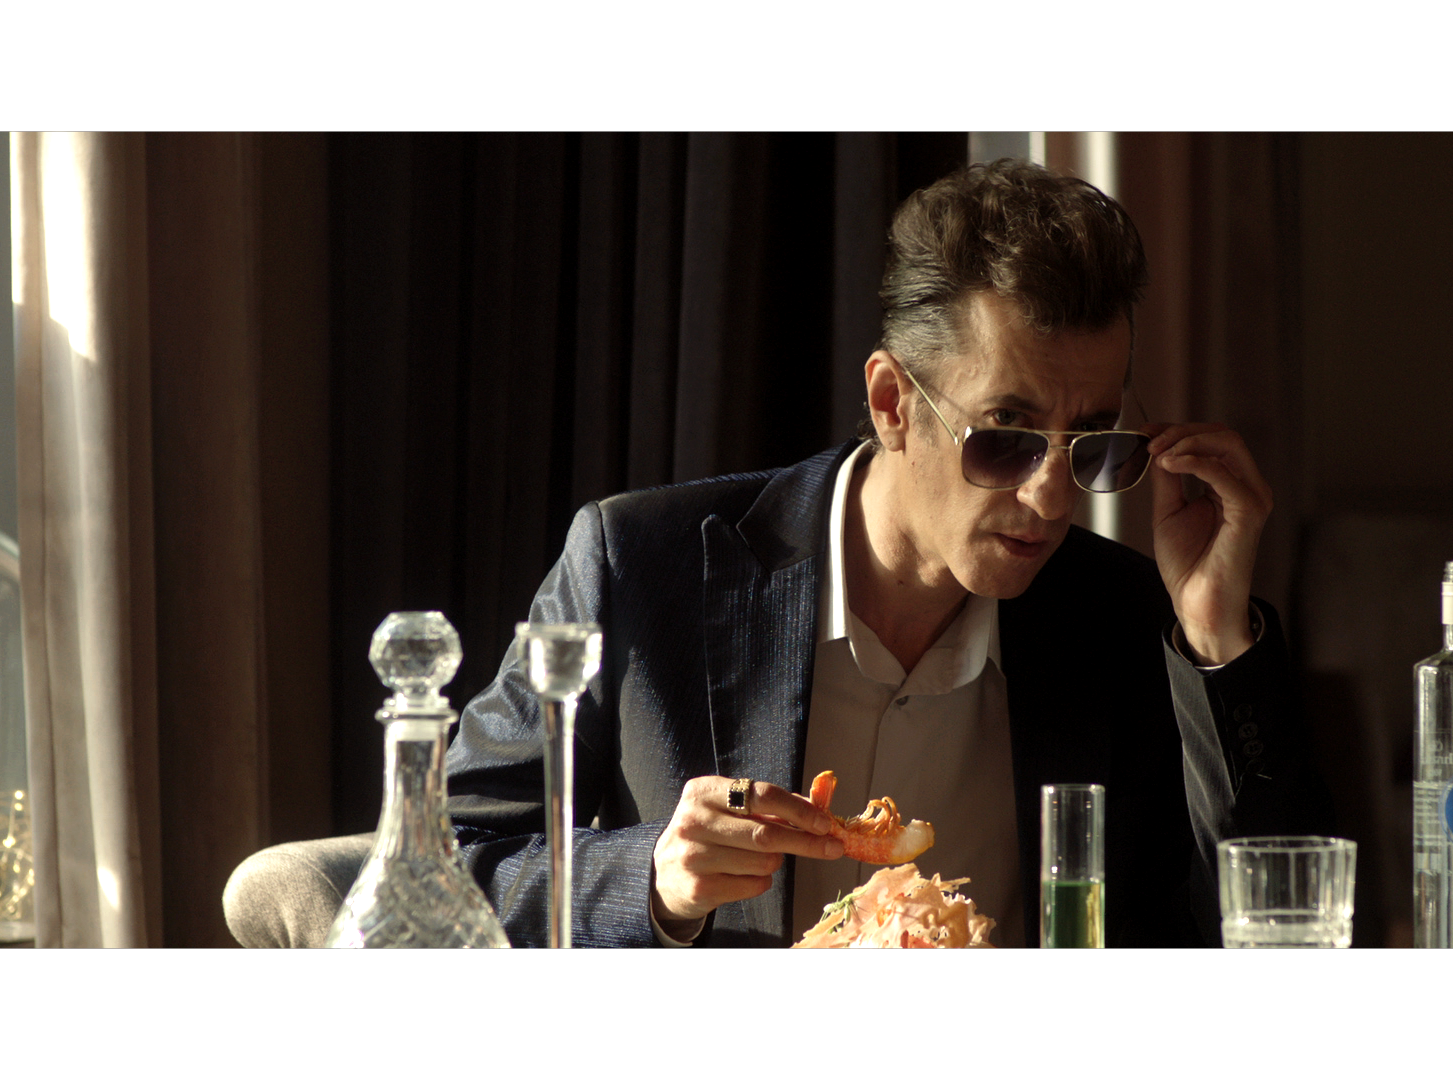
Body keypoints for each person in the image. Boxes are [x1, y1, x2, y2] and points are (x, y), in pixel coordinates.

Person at [447, 159, 1332, 948]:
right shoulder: (639, 568)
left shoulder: (1128, 623)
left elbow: (1275, 919)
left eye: (1093, 444)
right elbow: (443, 867)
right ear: (891, 403)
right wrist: (652, 881)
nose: (1054, 499)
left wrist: (1216, 642)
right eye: (1008, 436)